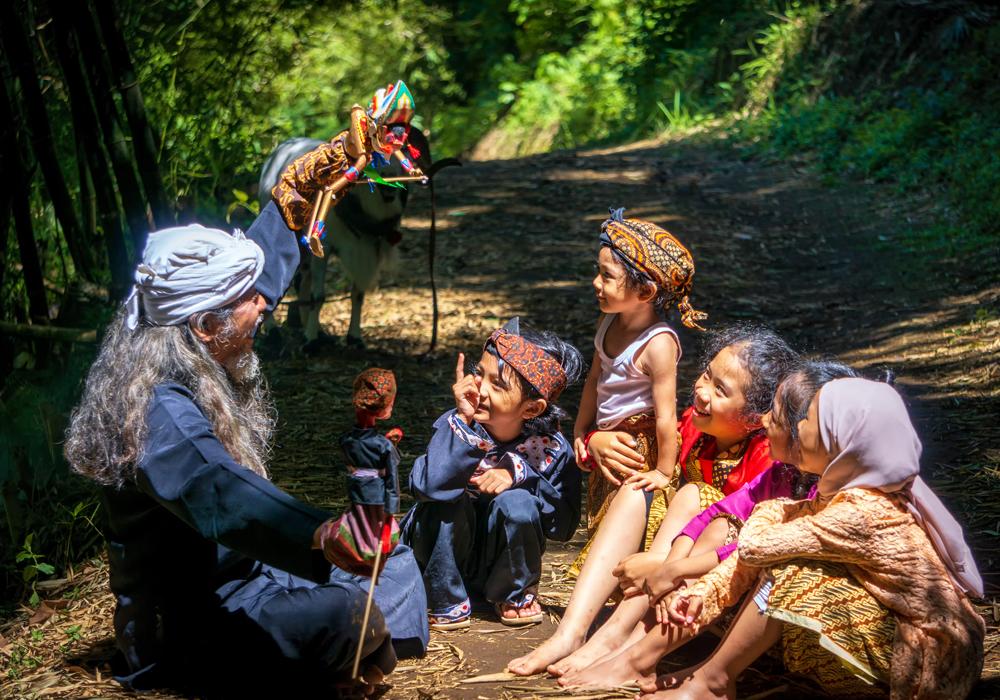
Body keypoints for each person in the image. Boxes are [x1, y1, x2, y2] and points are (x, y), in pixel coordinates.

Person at [63, 159, 427, 696]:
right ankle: (354, 655)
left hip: (253, 575)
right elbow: (216, 486)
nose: (266, 304)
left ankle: (356, 654)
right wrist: (318, 532)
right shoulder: (154, 408)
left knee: (389, 557)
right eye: (249, 299)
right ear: (206, 325)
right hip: (192, 626)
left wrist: (297, 197)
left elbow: (256, 280)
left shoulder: (183, 333)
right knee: (352, 608)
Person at [647, 378, 985, 700]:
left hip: (932, 662)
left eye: (809, 418)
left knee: (791, 566)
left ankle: (714, 681)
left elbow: (756, 546)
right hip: (905, 640)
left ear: (838, 440)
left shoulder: (864, 511)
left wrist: (772, 511)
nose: (795, 426)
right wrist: (705, 593)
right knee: (784, 557)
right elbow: (760, 547)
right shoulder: (844, 494)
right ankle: (709, 675)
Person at [509, 325, 796, 677]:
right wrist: (597, 441)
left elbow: (754, 543)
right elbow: (624, 446)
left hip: (719, 584)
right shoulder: (691, 426)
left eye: (720, 390)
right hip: (662, 572)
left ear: (755, 417)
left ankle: (618, 640)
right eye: (706, 375)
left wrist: (662, 564)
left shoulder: (768, 458)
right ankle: (571, 632)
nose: (702, 391)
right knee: (637, 486)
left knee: (696, 495)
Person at [557, 360, 856, 688]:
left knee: (768, 558)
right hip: (733, 588)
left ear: (813, 434)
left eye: (776, 415)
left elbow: (753, 551)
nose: (765, 421)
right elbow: (722, 510)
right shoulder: (783, 471)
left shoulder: (844, 498)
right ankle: (624, 647)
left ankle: (661, 663)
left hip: (814, 632)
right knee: (703, 506)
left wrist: (672, 570)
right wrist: (670, 569)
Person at [401, 318, 584, 629]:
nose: (480, 390)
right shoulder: (457, 426)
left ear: (532, 409)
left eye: (497, 385)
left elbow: (563, 528)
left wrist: (523, 475)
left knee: (518, 504)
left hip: (497, 566)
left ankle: (512, 592)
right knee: (446, 498)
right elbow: (426, 488)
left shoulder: (550, 449)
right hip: (440, 562)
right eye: (479, 374)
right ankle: (442, 597)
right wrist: (460, 426)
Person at [572, 207, 706, 574]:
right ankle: (603, 589)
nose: (596, 283)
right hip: (609, 436)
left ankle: (620, 588)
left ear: (645, 291)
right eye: (598, 272)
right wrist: (582, 430)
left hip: (639, 448)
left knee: (630, 523)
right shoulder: (608, 320)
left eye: (607, 276)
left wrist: (664, 472)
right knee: (601, 516)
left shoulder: (658, 344)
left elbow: (666, 415)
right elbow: (594, 381)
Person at [272, 79, 425, 257]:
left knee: (331, 190)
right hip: (335, 161)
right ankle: (315, 233)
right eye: (392, 132)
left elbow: (396, 151)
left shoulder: (383, 135)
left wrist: (411, 170)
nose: (396, 138)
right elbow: (360, 162)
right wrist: (351, 176)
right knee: (329, 190)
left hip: (354, 161)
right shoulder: (362, 127)